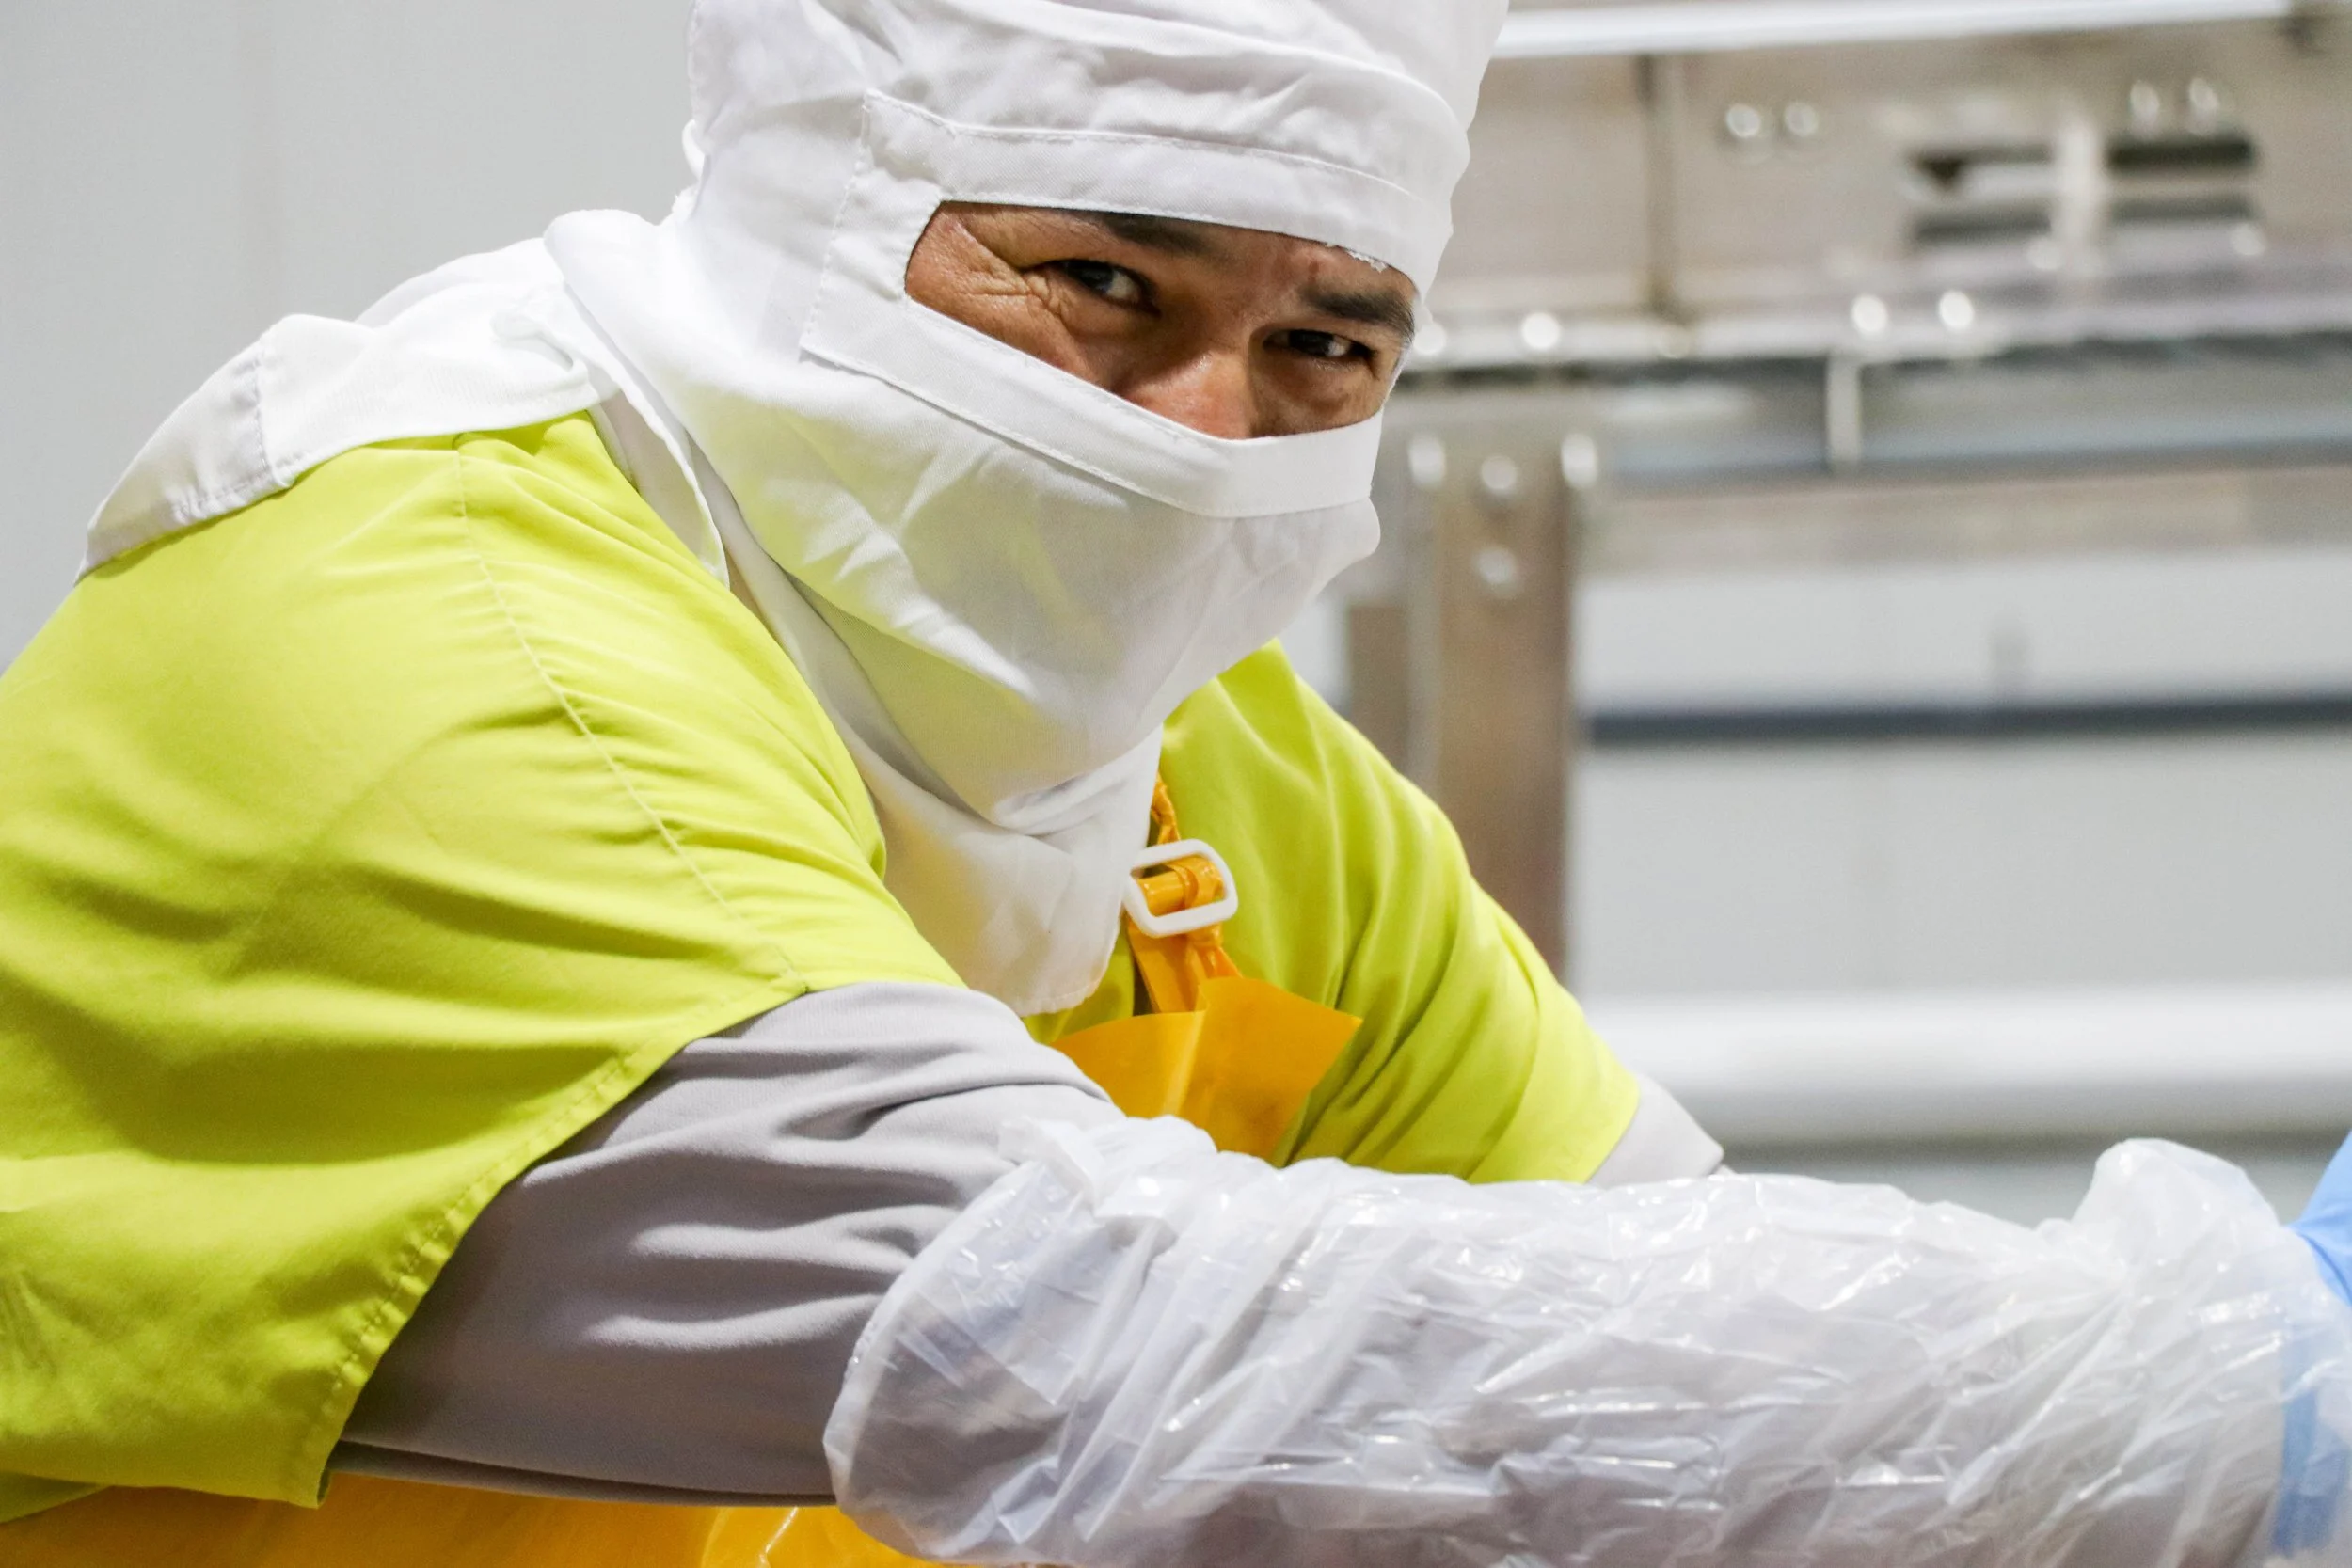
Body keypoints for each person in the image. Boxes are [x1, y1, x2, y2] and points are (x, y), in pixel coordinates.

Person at [2, 2, 2349, 1565]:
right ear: (829, 214)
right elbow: (1096, 1350)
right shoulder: (428, 650)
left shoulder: (1203, 764)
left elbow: (1651, 1320)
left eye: (1326, 341)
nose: (1198, 439)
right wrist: (2236, 1380)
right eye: (1102, 284)